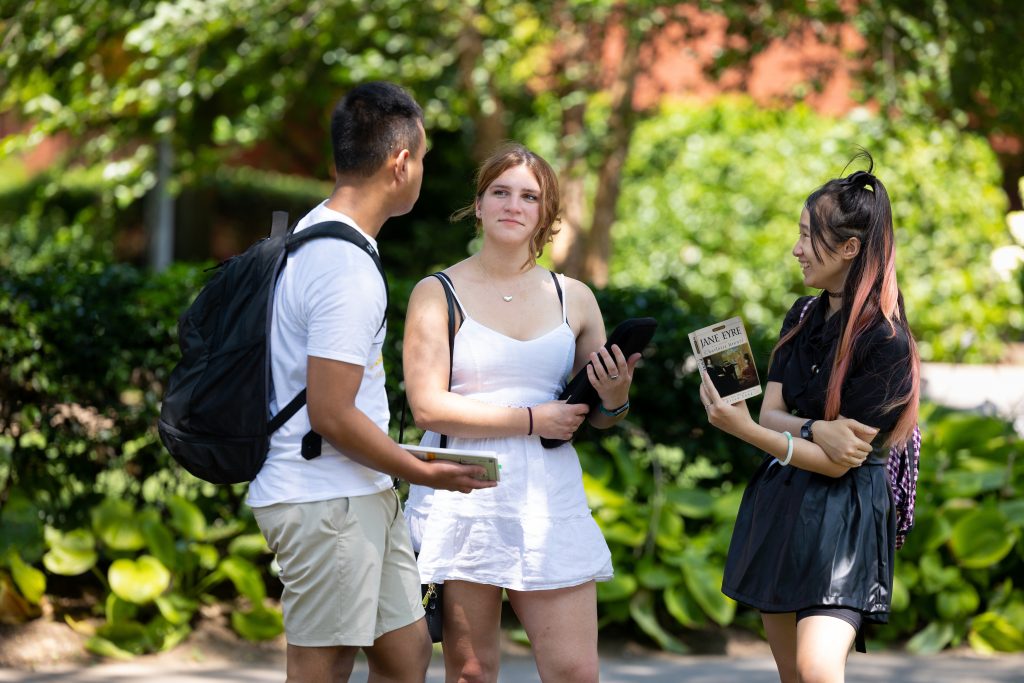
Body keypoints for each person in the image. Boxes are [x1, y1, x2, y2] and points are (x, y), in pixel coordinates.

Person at [247, 82, 496, 683]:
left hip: (356, 488)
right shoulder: (345, 267)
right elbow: (332, 412)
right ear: (400, 161)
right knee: (322, 666)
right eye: (425, 158)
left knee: (406, 652)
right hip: (324, 496)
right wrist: (424, 472)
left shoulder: (317, 232)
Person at [402, 143, 641, 683]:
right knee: (470, 671)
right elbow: (427, 404)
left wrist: (616, 394)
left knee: (576, 671)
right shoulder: (436, 292)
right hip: (466, 487)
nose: (514, 204)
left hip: (547, 492)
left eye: (529, 196)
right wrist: (532, 419)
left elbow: (598, 416)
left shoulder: (574, 298)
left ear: (546, 212)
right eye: (500, 192)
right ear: (480, 205)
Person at [699, 152, 920, 683]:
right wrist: (814, 427)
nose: (797, 250)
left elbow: (838, 464)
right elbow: (775, 410)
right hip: (783, 504)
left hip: (844, 516)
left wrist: (750, 430)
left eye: (808, 236)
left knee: (817, 669)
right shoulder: (802, 314)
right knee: (793, 677)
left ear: (849, 248)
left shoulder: (885, 341)